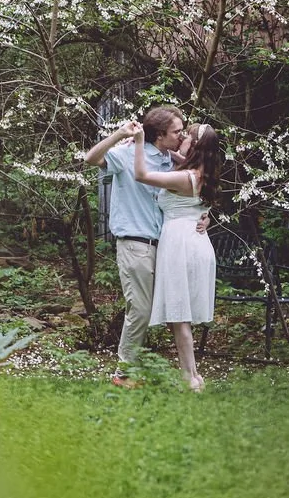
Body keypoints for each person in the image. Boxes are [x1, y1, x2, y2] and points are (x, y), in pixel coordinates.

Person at [84, 106, 206, 387]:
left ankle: (164, 371)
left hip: (164, 246)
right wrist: (119, 134)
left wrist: (203, 215)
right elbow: (91, 158)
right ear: (160, 135)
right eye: (176, 131)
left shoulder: (172, 160)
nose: (181, 135)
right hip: (135, 243)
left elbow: (191, 194)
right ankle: (123, 373)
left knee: (159, 309)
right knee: (140, 308)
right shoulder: (128, 154)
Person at [131, 120, 221, 391]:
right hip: (195, 241)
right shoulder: (202, 172)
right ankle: (191, 374)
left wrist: (137, 143)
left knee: (179, 313)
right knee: (179, 313)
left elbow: (141, 175)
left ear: (192, 145)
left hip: (181, 243)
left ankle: (191, 378)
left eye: (186, 135)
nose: (180, 136)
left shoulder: (185, 178)